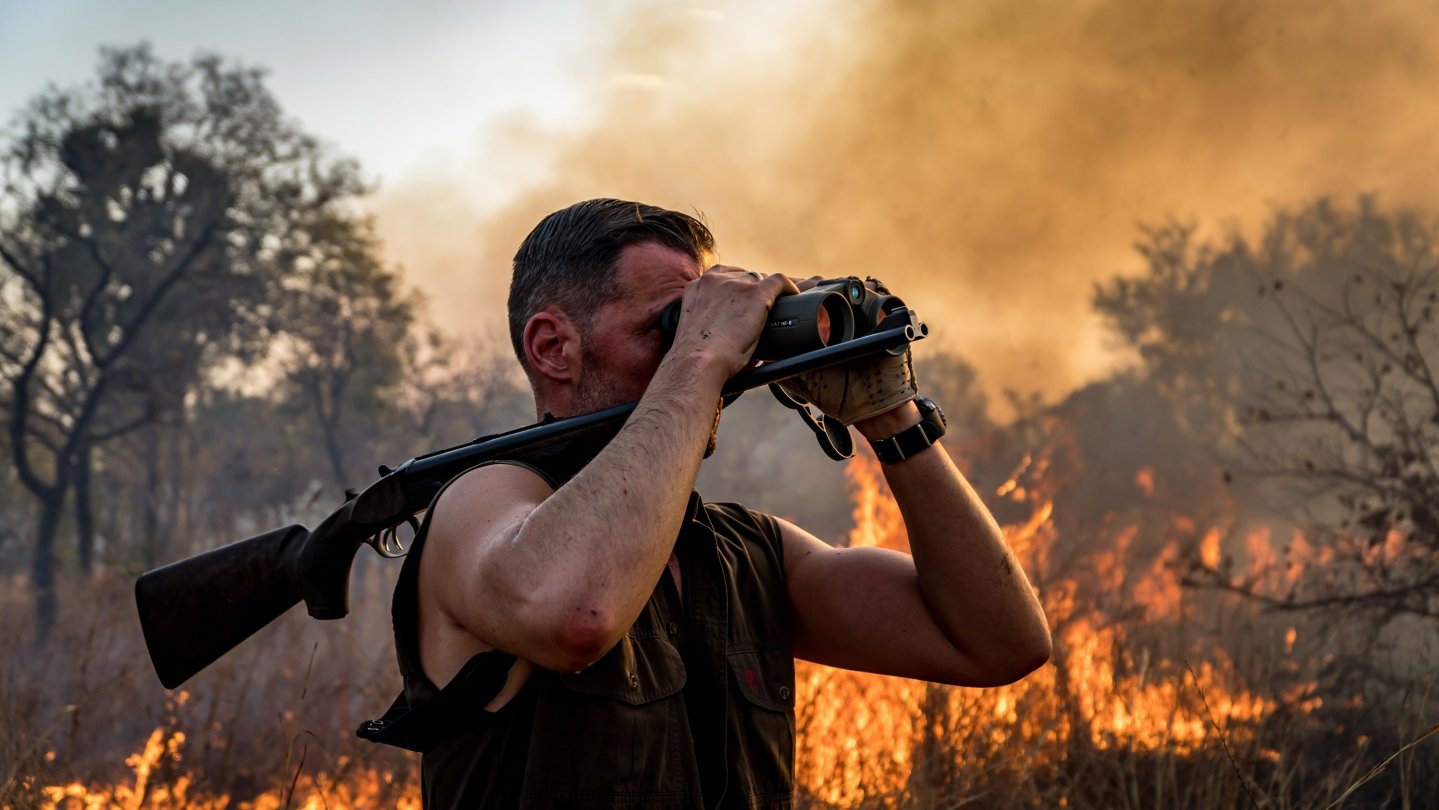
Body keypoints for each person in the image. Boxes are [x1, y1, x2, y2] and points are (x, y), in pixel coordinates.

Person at [361, 199, 1052, 808]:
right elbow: (578, 613)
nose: (717, 352)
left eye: (710, 323)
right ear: (553, 349)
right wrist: (697, 358)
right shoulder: (480, 502)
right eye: (668, 326)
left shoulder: (749, 553)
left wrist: (892, 420)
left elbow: (998, 645)